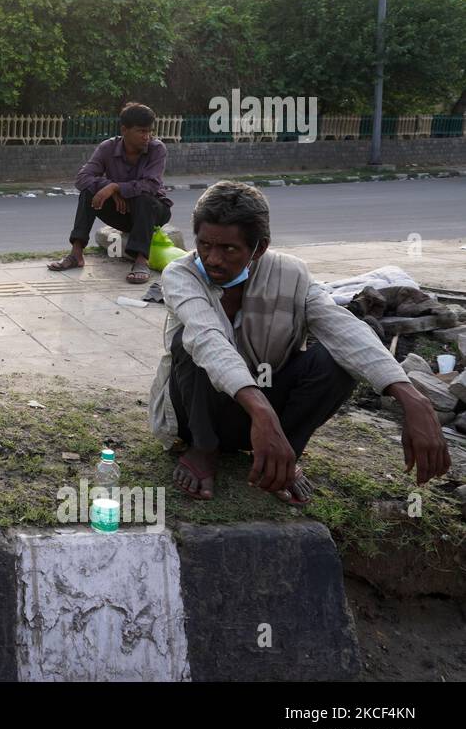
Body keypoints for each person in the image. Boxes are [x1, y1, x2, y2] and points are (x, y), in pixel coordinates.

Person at [150, 180, 449, 504]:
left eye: (229, 249)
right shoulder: (180, 275)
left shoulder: (290, 276)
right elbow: (208, 338)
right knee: (188, 342)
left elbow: (344, 329)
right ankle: (203, 450)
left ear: (259, 248)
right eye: (205, 245)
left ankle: (283, 455)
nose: (213, 259)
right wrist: (262, 411)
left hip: (262, 419)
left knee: (336, 360)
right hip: (197, 414)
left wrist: (412, 399)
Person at [48, 102, 172, 284]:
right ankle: (76, 253)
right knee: (88, 192)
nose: (147, 137)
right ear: (124, 130)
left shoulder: (157, 149)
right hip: (123, 213)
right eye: (141, 131)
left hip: (153, 212)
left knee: (144, 197)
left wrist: (116, 188)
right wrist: (108, 186)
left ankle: (141, 260)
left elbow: (151, 185)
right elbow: (82, 178)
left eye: (149, 131)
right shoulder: (107, 147)